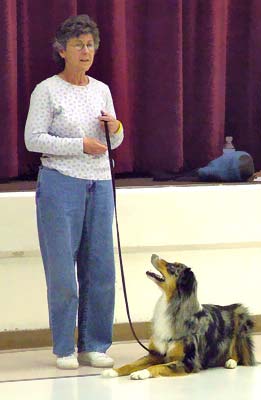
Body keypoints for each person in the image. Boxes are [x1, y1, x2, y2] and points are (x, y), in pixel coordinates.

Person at [24, 14, 124, 370]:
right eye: (79, 44)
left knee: (100, 268)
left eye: (90, 44)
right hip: (60, 181)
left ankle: (95, 343)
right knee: (63, 269)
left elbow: (114, 139)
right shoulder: (47, 90)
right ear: (62, 50)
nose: (86, 50)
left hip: (99, 182)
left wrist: (116, 128)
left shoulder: (101, 90)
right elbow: (33, 139)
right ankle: (65, 346)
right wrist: (79, 145)